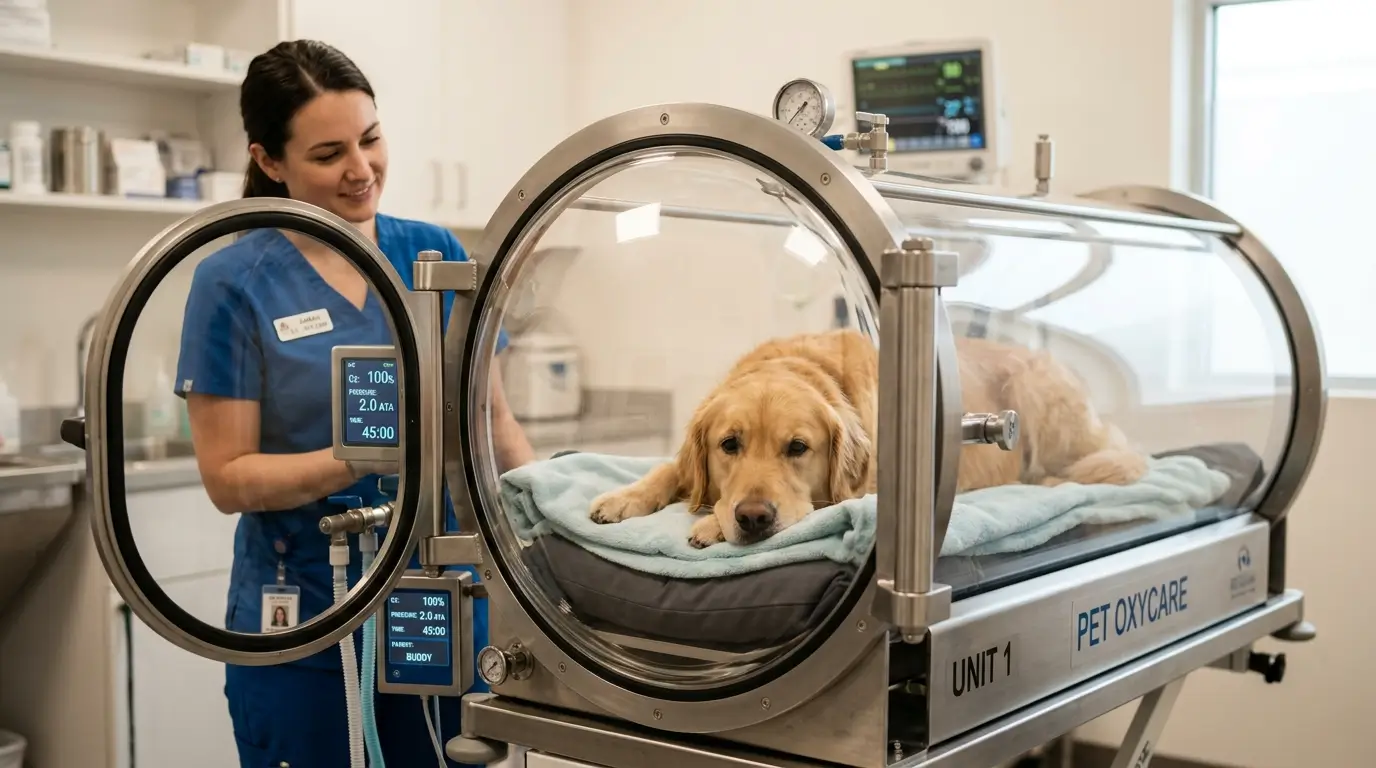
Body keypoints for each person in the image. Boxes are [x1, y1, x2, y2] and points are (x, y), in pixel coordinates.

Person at [174, 39, 536, 768]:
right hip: (305, 619)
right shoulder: (233, 281)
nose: (361, 170)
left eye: (371, 139)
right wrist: (355, 462)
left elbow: (492, 424)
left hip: (441, 602)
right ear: (270, 161)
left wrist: (543, 529)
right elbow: (228, 476)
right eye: (329, 152)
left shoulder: (433, 256)